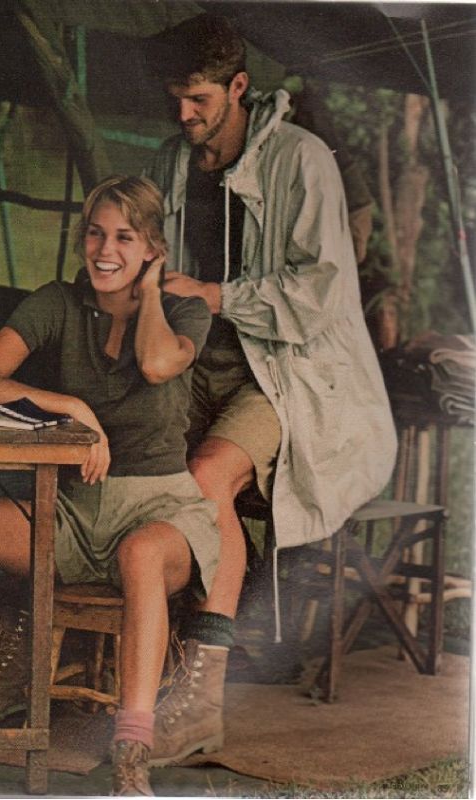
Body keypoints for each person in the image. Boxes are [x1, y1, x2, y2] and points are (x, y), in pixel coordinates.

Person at [0, 175, 220, 796]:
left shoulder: (182, 310)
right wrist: (68, 405)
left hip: (162, 509)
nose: (104, 249)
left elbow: (155, 364)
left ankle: (131, 750)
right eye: (95, 232)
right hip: (72, 511)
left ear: (152, 247)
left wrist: (149, 290)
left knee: (141, 554)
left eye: (124, 236)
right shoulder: (57, 303)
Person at [144, 14, 398, 765]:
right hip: (193, 362)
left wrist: (215, 296)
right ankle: (126, 658)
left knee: (204, 476)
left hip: (284, 371)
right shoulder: (169, 161)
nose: (182, 114)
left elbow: (319, 294)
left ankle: (198, 701)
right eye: (173, 98)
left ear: (238, 87)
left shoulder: (301, 159)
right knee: (122, 459)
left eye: (196, 98)